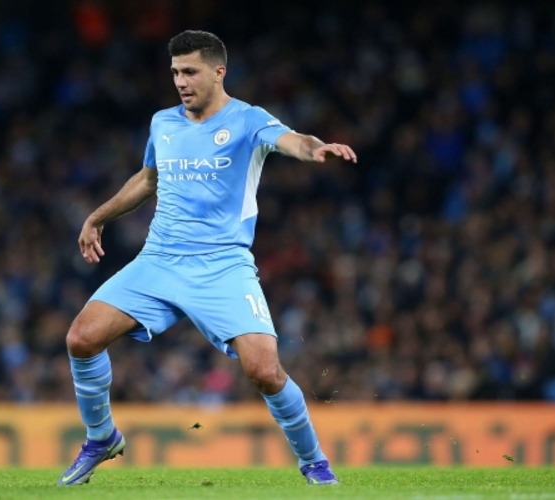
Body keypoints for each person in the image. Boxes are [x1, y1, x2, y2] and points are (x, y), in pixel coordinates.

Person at [58, 30, 356, 486]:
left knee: (264, 371)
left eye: (190, 71)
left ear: (219, 72)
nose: (181, 81)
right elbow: (148, 179)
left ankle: (314, 462)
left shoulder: (248, 119)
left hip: (222, 264)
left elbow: (292, 139)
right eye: (175, 72)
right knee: (81, 338)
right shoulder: (163, 123)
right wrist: (98, 217)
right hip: (159, 259)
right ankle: (101, 437)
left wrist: (315, 148)